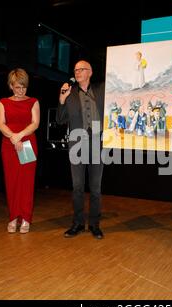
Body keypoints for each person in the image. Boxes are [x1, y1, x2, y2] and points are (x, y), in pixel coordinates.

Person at [57, 60, 105, 239]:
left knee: (95, 188)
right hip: (77, 144)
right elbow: (60, 119)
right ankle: (77, 223)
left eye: (81, 69)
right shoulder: (70, 94)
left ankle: (94, 224)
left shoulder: (101, 91)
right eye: (75, 70)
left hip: (97, 143)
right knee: (77, 187)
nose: (77, 72)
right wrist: (62, 98)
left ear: (90, 72)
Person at [0, 68, 40, 234]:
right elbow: (1, 124)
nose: (21, 91)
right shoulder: (3, 102)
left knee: (26, 183)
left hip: (27, 144)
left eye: (24, 87)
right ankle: (14, 217)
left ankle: (26, 218)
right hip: (9, 146)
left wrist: (19, 136)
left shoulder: (33, 101)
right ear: (10, 86)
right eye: (17, 87)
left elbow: (35, 123)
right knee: (12, 182)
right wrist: (13, 137)